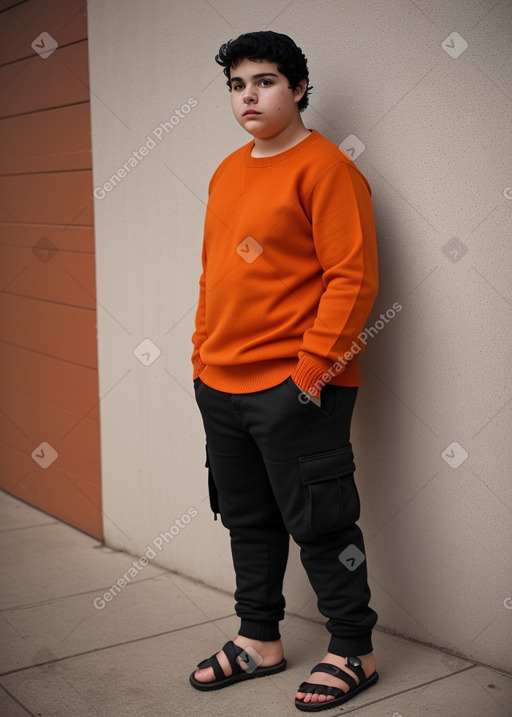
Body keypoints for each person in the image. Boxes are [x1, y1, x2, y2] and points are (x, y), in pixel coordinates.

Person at [189, 30, 379, 711]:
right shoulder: (225, 169)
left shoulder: (326, 168)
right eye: (238, 85)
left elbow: (352, 279)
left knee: (323, 521)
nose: (249, 96)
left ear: (298, 88)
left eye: (264, 81)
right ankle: (258, 639)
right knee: (247, 518)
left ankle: (354, 647)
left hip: (298, 386)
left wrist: (308, 374)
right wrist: (200, 359)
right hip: (222, 384)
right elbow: (214, 277)